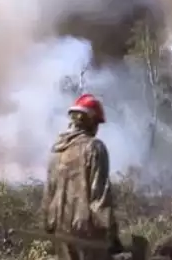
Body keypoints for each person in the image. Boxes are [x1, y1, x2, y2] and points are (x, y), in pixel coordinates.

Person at [41, 93, 120, 260]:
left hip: (60, 231)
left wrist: (48, 227)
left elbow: (49, 194)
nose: (98, 128)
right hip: (87, 235)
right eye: (97, 122)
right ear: (90, 121)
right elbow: (99, 198)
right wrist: (112, 236)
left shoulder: (57, 150)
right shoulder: (94, 148)